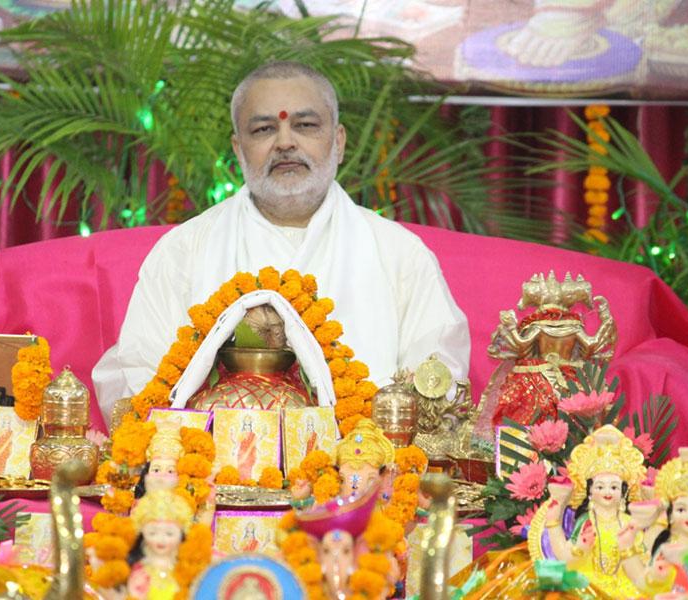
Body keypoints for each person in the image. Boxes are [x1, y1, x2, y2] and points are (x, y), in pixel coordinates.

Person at [92, 61, 470, 424]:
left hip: (363, 476)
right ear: (238, 149)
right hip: (211, 478)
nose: (285, 142)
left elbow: (436, 380)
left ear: (338, 143)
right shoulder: (184, 249)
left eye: (305, 125)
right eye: (263, 130)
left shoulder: (399, 253)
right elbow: (140, 376)